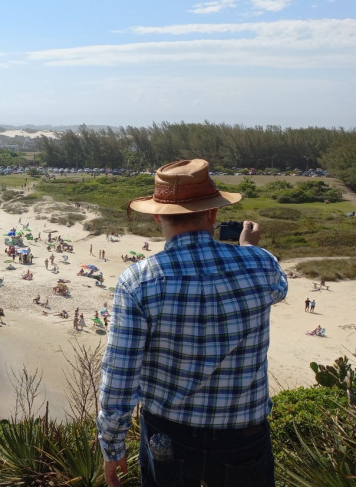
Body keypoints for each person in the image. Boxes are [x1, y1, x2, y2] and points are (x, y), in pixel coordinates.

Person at [97, 159, 288, 487]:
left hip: (168, 437)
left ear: (157, 215)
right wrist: (247, 249)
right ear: (213, 213)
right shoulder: (261, 264)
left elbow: (120, 374)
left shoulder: (139, 280)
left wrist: (112, 447)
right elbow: (278, 289)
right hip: (245, 437)